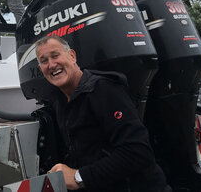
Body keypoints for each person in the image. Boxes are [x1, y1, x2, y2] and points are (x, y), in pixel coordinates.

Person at [35, 35, 169, 191]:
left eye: (55, 55)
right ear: (40, 70)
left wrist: (79, 176)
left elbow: (138, 151)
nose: (51, 64)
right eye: (44, 61)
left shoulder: (104, 90)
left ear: (72, 56)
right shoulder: (61, 102)